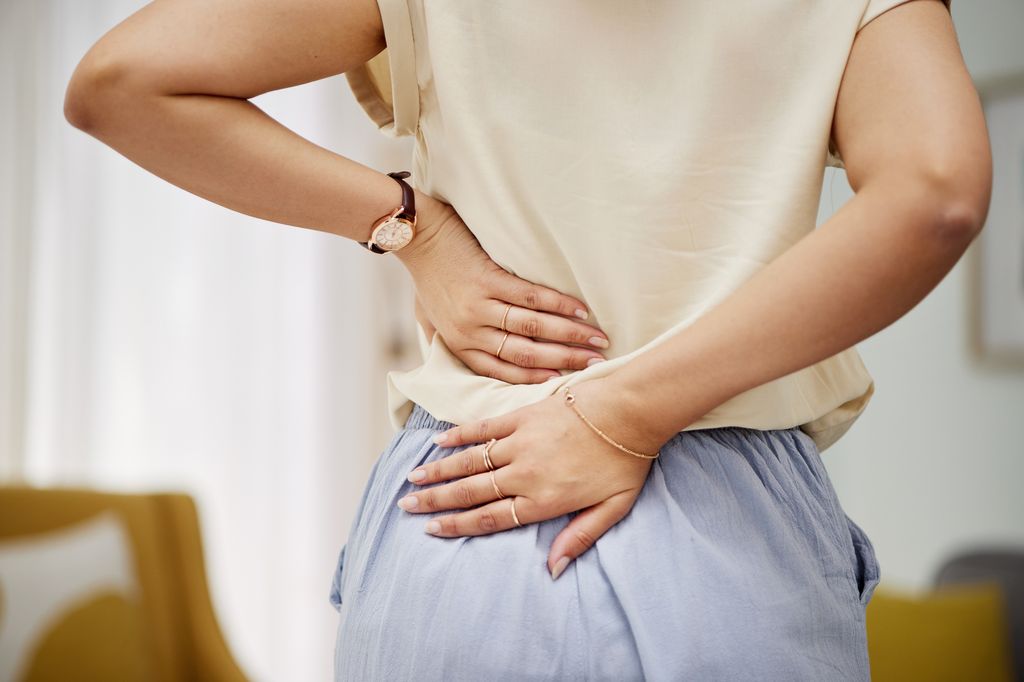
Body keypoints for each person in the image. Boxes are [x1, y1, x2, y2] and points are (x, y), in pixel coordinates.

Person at [63, 0, 989, 678]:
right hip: (731, 533)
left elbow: (121, 81)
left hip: (468, 494)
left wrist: (412, 229)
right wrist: (626, 410)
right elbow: (938, 190)